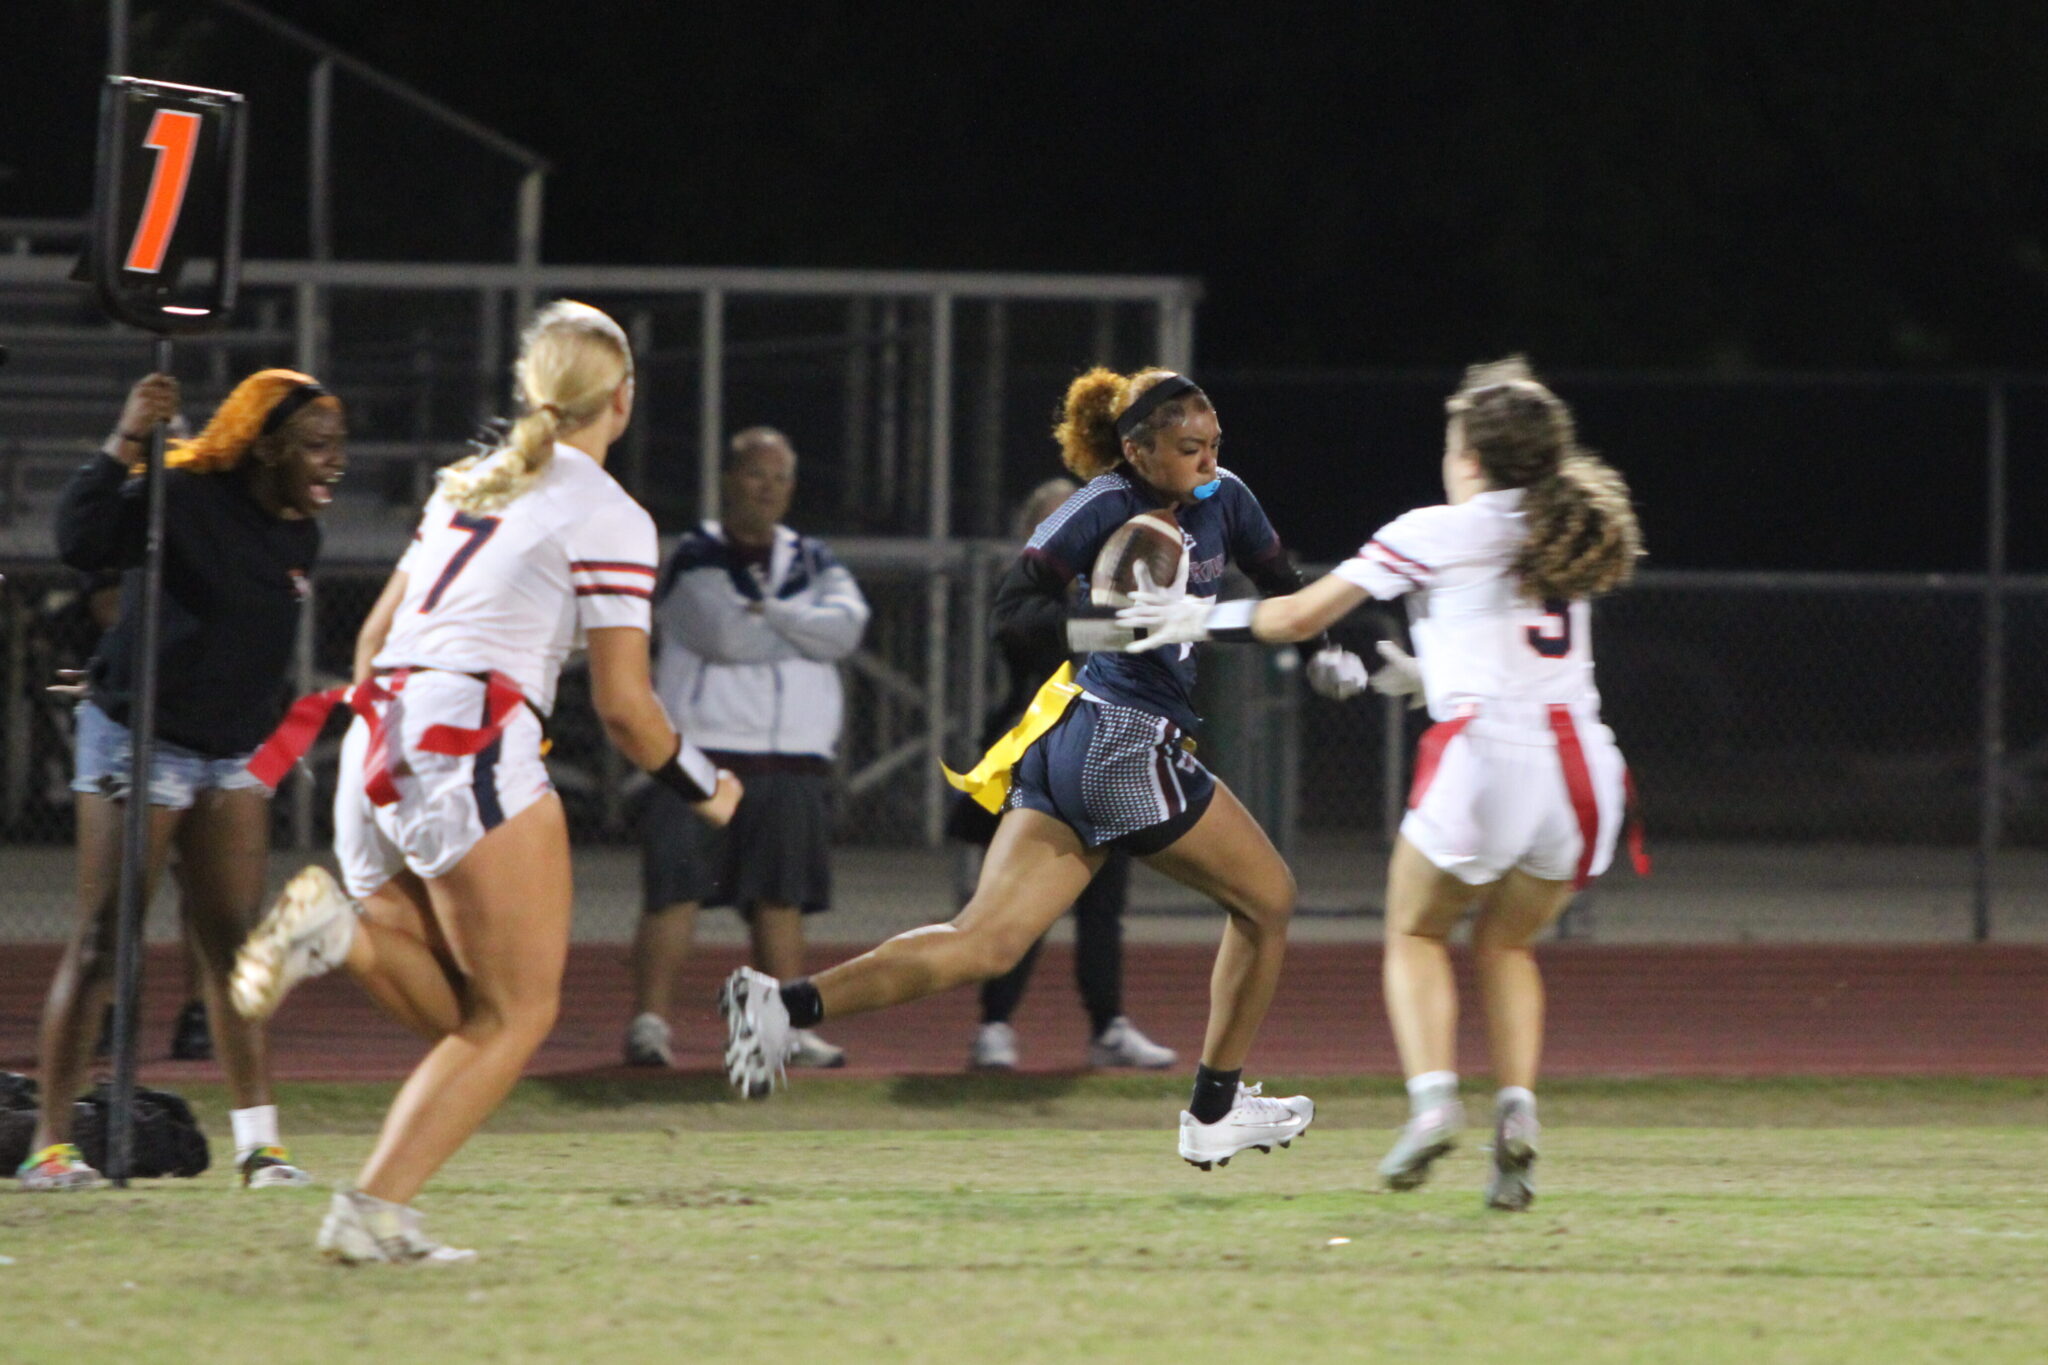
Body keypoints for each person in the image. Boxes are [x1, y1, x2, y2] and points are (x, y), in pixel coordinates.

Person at [718, 366, 1370, 1172]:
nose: (1207, 461)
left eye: (1214, 445)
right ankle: (1214, 1108)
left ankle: (781, 1006)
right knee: (1269, 899)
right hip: (1119, 738)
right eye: (1189, 447)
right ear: (1135, 449)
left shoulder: (1224, 496)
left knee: (984, 942)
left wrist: (1320, 652)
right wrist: (1112, 627)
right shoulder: (1100, 505)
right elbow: (1014, 618)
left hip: (1075, 746)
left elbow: (1279, 580)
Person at [228, 300, 739, 1263]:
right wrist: (704, 784)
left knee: (469, 1015)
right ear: (621, 398)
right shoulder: (609, 511)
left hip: (377, 740)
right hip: (468, 743)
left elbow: (374, 640)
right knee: (520, 1014)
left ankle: (336, 935)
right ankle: (371, 1208)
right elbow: (629, 709)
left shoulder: (470, 484)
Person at [1115, 356, 1643, 1209]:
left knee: (1416, 934)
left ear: (1469, 455)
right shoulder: (1563, 531)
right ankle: (1517, 1118)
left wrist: (1188, 618)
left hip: (1488, 757)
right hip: (1584, 770)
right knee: (1506, 945)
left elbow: (1296, 615)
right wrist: (1429, 677)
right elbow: (1517, 649)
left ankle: (1434, 1102)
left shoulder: (1439, 525)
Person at [19, 369, 345, 1192]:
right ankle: (51, 1148)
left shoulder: (301, 532)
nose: (333, 461)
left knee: (237, 945)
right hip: (140, 738)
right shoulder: (185, 496)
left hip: (231, 751)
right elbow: (82, 539)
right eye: (315, 444)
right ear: (265, 445)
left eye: (339, 445)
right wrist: (128, 433)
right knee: (107, 941)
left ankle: (260, 1147)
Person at [623, 427, 868, 1070]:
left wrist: (769, 615)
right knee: (675, 892)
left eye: (781, 477)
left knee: (781, 898)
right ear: (729, 480)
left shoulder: (813, 556)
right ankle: (650, 1025)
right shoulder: (696, 553)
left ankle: (776, 1027)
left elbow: (846, 629)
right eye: (757, 475)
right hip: (699, 754)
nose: (768, 489)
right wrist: (796, 627)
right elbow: (724, 635)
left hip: (792, 755)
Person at [950, 478, 1175, 1072]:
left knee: (1103, 903)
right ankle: (994, 1022)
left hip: (1107, 760)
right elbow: (1051, 641)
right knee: (1020, 901)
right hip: (1038, 765)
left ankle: (1109, 1025)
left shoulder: (1111, 590)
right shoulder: (1024, 597)